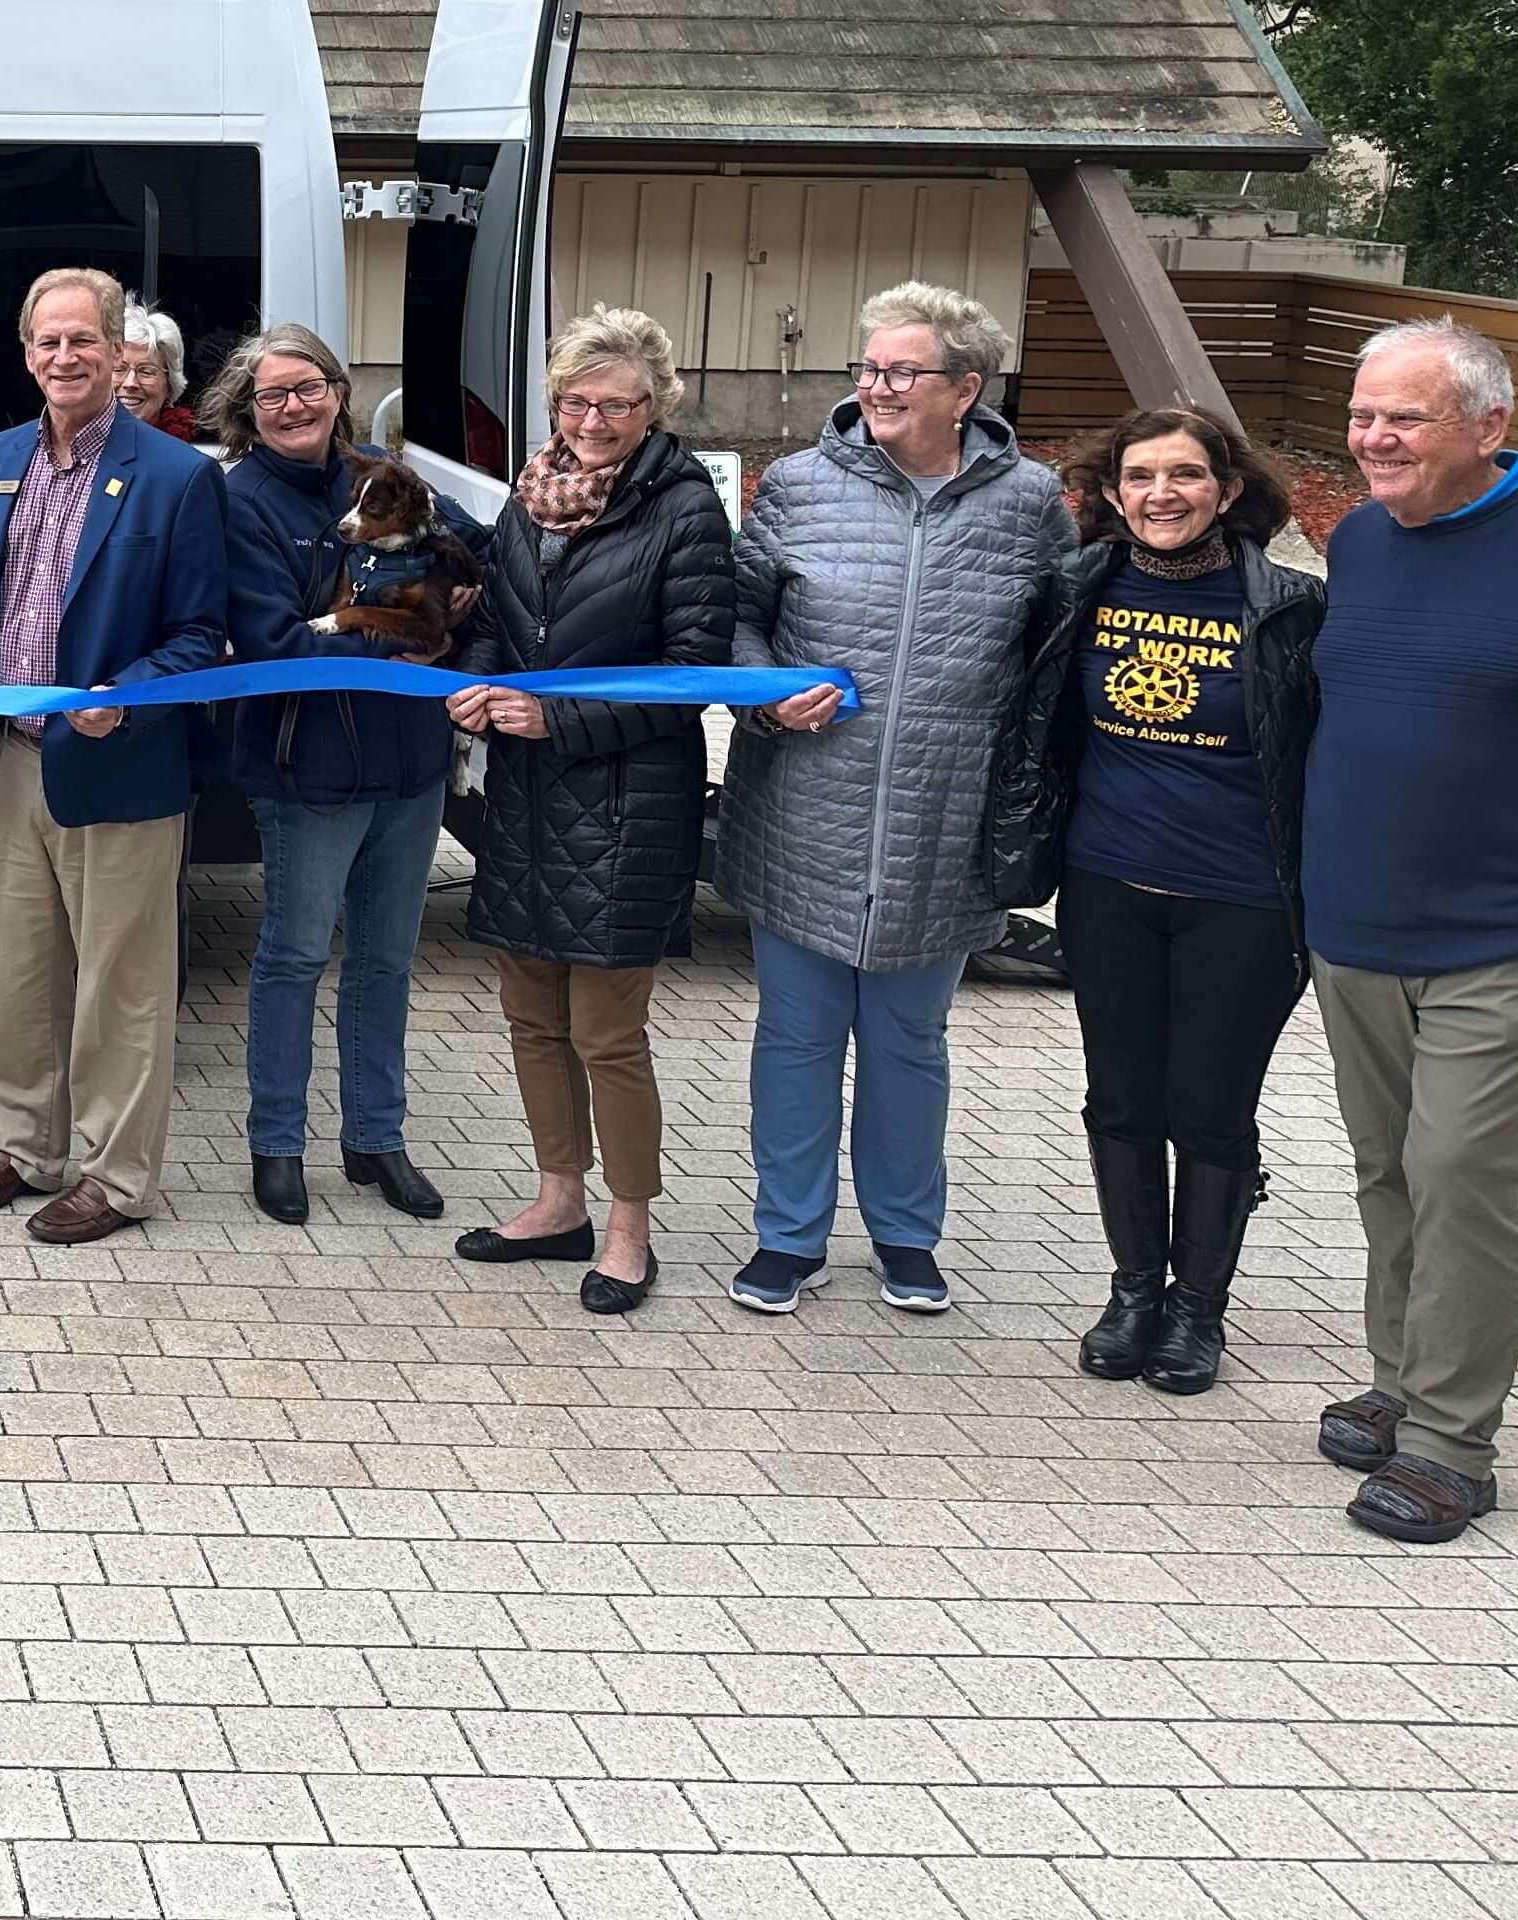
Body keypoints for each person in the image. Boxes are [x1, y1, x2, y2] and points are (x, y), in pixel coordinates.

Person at [1297, 318, 1518, 1545]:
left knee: (1461, 1178)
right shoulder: (1363, 541)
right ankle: (1403, 1380)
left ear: (1490, 425)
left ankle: (1449, 1446)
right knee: (1388, 1170)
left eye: (1404, 417)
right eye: (1364, 414)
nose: (1373, 438)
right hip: (1358, 929)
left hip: (1515, 938)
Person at [721, 280, 1073, 1319]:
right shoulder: (797, 486)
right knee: (796, 1036)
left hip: (941, 822)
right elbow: (738, 622)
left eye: (901, 372)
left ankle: (907, 1238)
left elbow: (1053, 657)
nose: (876, 387)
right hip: (804, 807)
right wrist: (764, 697)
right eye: (868, 368)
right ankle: (787, 1236)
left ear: (965, 389)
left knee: (911, 1043)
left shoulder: (1032, 503)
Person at [981, 404, 1320, 1396]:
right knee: (1122, 1099)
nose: (1161, 494)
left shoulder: (1292, 606)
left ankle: (1197, 1311)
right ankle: (1134, 1295)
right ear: (1111, 492)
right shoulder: (1076, 588)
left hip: (1245, 899)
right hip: (1107, 886)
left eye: (1185, 475)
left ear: (1229, 489)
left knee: (1210, 1110)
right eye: (1140, 477)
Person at [442, 309, 736, 1314]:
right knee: (532, 1019)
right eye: (577, 401)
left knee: (608, 1033)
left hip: (627, 803)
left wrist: (554, 717)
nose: (594, 422)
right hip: (525, 796)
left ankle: (628, 1229)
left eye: (618, 405)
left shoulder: (685, 508)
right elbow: (495, 619)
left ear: (656, 408)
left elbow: (693, 672)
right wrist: (475, 684)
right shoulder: (529, 494)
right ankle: (557, 1201)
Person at [0, 269, 225, 1244]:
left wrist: (125, 695)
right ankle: (23, 1145)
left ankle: (116, 1174)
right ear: (27, 355)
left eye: (83, 340)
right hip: (11, 759)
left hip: (119, 765)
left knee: (120, 986)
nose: (65, 357)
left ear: (117, 351)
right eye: (48, 342)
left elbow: (201, 635)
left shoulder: (177, 477)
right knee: (15, 973)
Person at [208, 322, 460, 1227]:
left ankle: (376, 1137)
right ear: (249, 410)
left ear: (338, 392)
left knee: (386, 959)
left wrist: (448, 611)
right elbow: (272, 638)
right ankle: (277, 1144)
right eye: (273, 394)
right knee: (294, 956)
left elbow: (465, 567)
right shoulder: (237, 499)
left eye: (308, 387)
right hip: (307, 764)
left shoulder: (384, 474)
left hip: (410, 761)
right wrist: (402, 634)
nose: (293, 406)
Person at [115, 303, 195, 439]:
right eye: (118, 369)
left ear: (169, 385)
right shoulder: (77, 439)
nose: (130, 383)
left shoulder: (187, 449)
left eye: (146, 372)